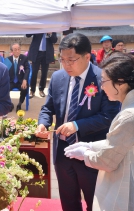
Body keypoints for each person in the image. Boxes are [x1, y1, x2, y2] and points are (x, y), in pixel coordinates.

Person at [35, 33, 120, 211]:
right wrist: (43, 123)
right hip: (62, 152)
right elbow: (48, 108)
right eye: (62, 59)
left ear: (87, 57)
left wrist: (77, 125)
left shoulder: (102, 78)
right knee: (68, 200)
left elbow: (110, 115)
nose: (65, 64)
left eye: (71, 60)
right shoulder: (58, 78)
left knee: (94, 201)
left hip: (91, 151)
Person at [64, 52, 134, 211]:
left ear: (120, 83)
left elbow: (108, 160)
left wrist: (85, 154)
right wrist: (90, 145)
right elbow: (118, 142)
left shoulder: (129, 115)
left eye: (104, 81)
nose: (101, 86)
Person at [26, 32, 57, 98]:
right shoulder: (39, 27)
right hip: (36, 53)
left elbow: (55, 40)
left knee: (44, 73)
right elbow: (27, 35)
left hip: (46, 53)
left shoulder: (52, 28)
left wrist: (50, 34)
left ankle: (41, 89)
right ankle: (32, 90)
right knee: (34, 72)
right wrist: (34, 28)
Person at [7, 43, 30, 112]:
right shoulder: (8, 60)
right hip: (11, 81)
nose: (17, 51)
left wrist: (25, 79)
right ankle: (10, 104)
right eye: (15, 50)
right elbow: (4, 71)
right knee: (3, 89)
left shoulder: (24, 58)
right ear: (12, 51)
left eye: (18, 49)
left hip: (21, 81)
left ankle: (19, 104)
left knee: (25, 87)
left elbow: (27, 69)